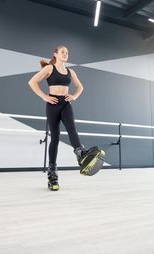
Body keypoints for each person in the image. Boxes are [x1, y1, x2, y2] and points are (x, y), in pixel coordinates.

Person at [28, 45, 105, 191]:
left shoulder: (71, 71)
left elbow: (80, 87)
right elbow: (32, 82)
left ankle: (81, 155)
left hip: (65, 104)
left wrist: (74, 96)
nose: (65, 54)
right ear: (55, 54)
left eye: (67, 52)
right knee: (55, 138)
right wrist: (45, 97)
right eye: (62, 52)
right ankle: (52, 173)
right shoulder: (49, 68)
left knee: (72, 129)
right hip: (53, 104)